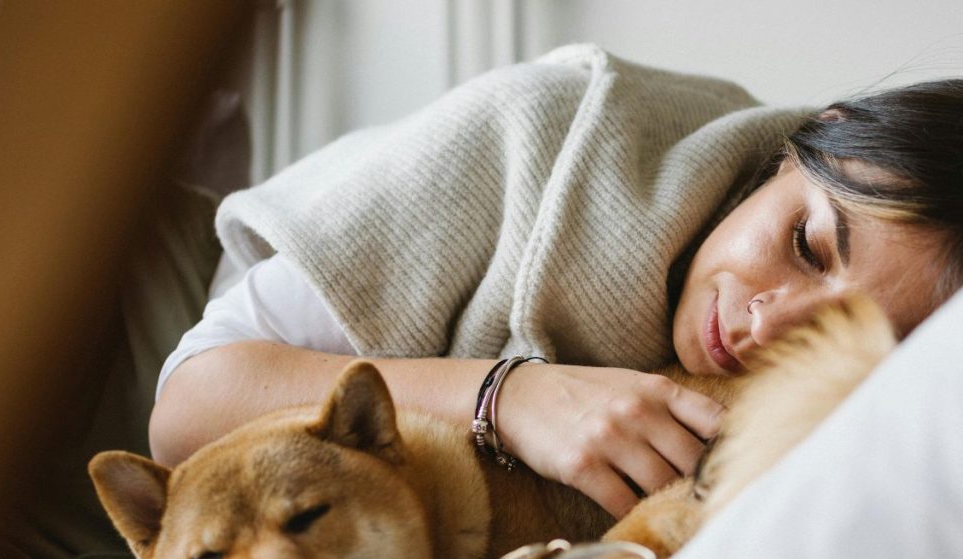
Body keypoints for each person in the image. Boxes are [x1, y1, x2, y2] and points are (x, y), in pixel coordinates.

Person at [150, 45, 963, 520]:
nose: (765, 326)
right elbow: (187, 407)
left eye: (839, 335)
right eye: (808, 245)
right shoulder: (555, 125)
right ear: (811, 140)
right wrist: (509, 397)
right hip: (150, 330)